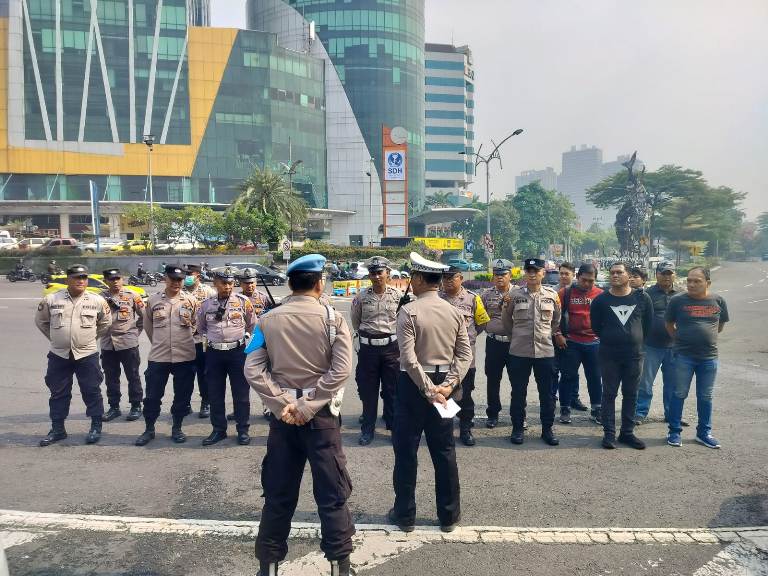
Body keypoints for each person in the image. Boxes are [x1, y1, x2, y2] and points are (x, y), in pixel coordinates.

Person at [245, 254, 354, 576]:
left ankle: (269, 567)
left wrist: (282, 404)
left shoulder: (267, 321)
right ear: (319, 283)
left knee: (278, 494)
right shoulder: (333, 320)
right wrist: (309, 405)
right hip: (320, 419)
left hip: (284, 420)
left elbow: (252, 368)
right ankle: (340, 567)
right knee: (332, 495)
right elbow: (341, 370)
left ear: (290, 284)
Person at [389, 252, 471, 534]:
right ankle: (448, 516)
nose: (411, 281)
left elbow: (409, 359)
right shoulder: (454, 311)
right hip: (443, 383)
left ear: (421, 279)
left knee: (406, 451)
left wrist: (428, 390)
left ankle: (405, 516)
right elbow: (465, 354)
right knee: (444, 450)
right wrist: (447, 386)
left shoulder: (408, 311)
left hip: (414, 385)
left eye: (413, 276)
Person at [35, 264, 112, 446]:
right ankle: (58, 429)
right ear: (67, 279)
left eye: (84, 277)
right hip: (59, 355)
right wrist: (57, 339)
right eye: (77, 277)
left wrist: (89, 339)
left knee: (92, 391)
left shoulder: (96, 300)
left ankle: (95, 427)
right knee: (58, 393)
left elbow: (105, 323)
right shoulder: (52, 299)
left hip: (87, 354)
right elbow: (42, 322)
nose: (81, 281)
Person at [590, 262, 654, 450]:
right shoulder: (601, 300)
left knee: (631, 393)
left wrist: (634, 340)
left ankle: (627, 433)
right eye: (612, 273)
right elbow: (595, 327)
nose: (615, 275)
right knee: (609, 394)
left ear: (628, 275)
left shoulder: (642, 298)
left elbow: (647, 326)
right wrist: (614, 338)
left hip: (634, 356)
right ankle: (609, 434)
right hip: (609, 355)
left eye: (619, 272)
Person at [665, 267, 729, 449]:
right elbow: (669, 324)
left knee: (705, 396)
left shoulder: (718, 300)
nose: (691, 284)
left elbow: (720, 324)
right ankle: (674, 432)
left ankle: (703, 433)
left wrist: (703, 338)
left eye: (697, 281)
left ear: (707, 283)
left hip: (709, 357)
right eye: (689, 281)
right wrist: (681, 341)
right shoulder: (677, 301)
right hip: (683, 356)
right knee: (679, 393)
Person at [135, 265, 199, 446]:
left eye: (179, 280)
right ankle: (149, 429)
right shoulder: (154, 301)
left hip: (185, 356)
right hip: (159, 356)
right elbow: (148, 326)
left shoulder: (191, 300)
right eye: (173, 279)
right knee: (152, 396)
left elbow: (195, 326)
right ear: (166, 279)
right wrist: (160, 342)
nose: (176, 283)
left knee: (182, 395)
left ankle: (177, 427)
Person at [502, 258, 562, 446]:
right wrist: (517, 337)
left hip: (545, 352)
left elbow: (556, 321)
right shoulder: (514, 295)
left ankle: (547, 429)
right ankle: (518, 428)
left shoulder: (552, 296)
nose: (532, 273)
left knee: (547, 394)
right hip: (519, 352)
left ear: (543, 273)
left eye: (536, 270)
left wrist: (545, 336)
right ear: (524, 273)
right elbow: (506, 320)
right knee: (518, 392)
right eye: (529, 270)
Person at [197, 267, 256, 446]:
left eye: (230, 283)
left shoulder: (243, 302)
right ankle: (218, 430)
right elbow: (201, 328)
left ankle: (243, 430)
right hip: (214, 354)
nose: (228, 287)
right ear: (215, 283)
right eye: (223, 283)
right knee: (215, 393)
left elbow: (252, 325)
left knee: (241, 394)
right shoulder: (206, 305)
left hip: (237, 353)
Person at [350, 256, 402, 446]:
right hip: (368, 349)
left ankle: (392, 426)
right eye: (373, 273)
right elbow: (356, 322)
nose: (376, 276)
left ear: (387, 273)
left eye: (380, 272)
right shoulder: (361, 297)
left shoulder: (399, 296)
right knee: (368, 390)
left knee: (392, 390)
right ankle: (367, 430)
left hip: (391, 349)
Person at [439, 265, 489, 446]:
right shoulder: (437, 299)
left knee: (465, 394)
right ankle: (446, 427)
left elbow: (482, 324)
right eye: (445, 278)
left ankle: (465, 428)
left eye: (452, 277)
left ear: (461, 278)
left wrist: (467, 341)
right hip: (442, 357)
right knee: (443, 394)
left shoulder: (473, 299)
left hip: (466, 359)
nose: (447, 281)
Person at [634, 261, 682, 425]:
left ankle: (671, 414)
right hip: (651, 345)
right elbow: (639, 319)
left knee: (673, 384)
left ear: (674, 275)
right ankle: (640, 413)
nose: (667, 277)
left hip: (675, 347)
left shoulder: (682, 295)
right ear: (657, 275)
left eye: (670, 273)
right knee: (645, 382)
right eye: (663, 273)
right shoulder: (647, 294)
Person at [557, 263, 604, 424]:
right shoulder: (566, 292)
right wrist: (558, 334)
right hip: (571, 342)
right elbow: (555, 316)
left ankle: (597, 409)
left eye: (591, 281)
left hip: (594, 343)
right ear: (577, 277)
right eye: (584, 280)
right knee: (567, 376)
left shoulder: (600, 294)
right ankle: (565, 408)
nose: (587, 284)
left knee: (595, 378)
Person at [99, 268, 145, 422]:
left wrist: (134, 332)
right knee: (111, 377)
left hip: (128, 343)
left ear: (122, 280)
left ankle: (136, 406)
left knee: (133, 375)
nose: (116, 282)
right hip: (107, 344)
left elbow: (144, 317)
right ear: (106, 281)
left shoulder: (132, 296)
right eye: (112, 279)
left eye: (118, 278)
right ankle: (114, 407)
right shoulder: (99, 298)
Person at [481, 259, 515, 429]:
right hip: (494, 342)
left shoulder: (519, 293)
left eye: (503, 274)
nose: (500, 278)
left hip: (515, 344)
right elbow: (478, 317)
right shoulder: (486, 295)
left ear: (510, 275)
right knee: (493, 379)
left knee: (518, 381)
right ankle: (493, 413)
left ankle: (518, 415)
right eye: (497, 275)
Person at [184, 263, 217, 418]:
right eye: (186, 273)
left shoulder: (208, 291)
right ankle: (185, 402)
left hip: (202, 340)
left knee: (204, 373)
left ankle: (206, 402)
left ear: (197, 275)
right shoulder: (179, 291)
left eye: (190, 273)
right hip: (183, 340)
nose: (187, 276)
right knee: (184, 374)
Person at [554, 262, 588, 410]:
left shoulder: (578, 291)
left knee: (572, 372)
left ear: (573, 275)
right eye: (561, 273)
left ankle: (574, 398)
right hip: (555, 337)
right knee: (553, 369)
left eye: (566, 273)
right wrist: (556, 334)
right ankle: (553, 398)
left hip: (573, 338)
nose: (563, 276)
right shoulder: (552, 291)